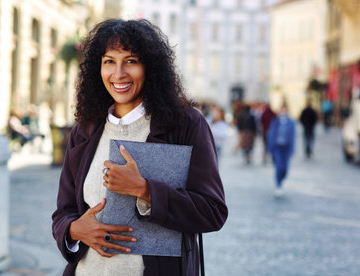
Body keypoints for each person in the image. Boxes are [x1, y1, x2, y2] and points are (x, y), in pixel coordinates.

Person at [51, 19, 228, 276]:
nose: (119, 73)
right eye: (109, 61)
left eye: (131, 61)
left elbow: (212, 211)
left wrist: (144, 190)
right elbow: (63, 212)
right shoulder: (85, 129)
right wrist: (73, 231)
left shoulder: (185, 124)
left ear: (150, 67)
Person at [267, 103, 295, 196]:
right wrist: (269, 148)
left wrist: (292, 150)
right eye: (282, 110)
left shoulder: (291, 123)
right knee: (279, 166)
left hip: (286, 148)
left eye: (285, 110)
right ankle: (278, 185)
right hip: (277, 147)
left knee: (285, 169)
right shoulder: (275, 121)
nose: (283, 112)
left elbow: (293, 137)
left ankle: (281, 180)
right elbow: (271, 134)